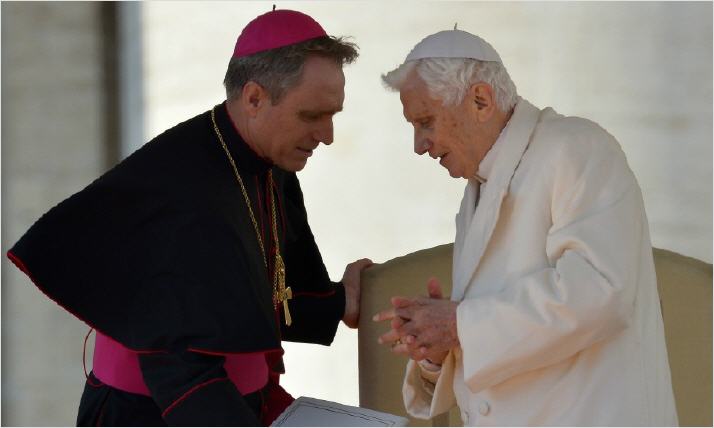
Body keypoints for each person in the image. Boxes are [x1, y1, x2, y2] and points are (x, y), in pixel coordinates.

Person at [8, 8, 372, 426]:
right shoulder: (184, 194)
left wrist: (338, 302)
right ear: (254, 98)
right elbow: (180, 370)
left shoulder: (265, 160)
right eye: (311, 116)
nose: (327, 136)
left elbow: (258, 290)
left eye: (332, 115)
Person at [373, 28, 677, 425]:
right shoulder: (478, 187)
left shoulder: (576, 147)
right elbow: (499, 335)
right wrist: (438, 348)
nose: (419, 145)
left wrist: (458, 324)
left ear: (480, 100)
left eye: (426, 122)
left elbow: (600, 292)